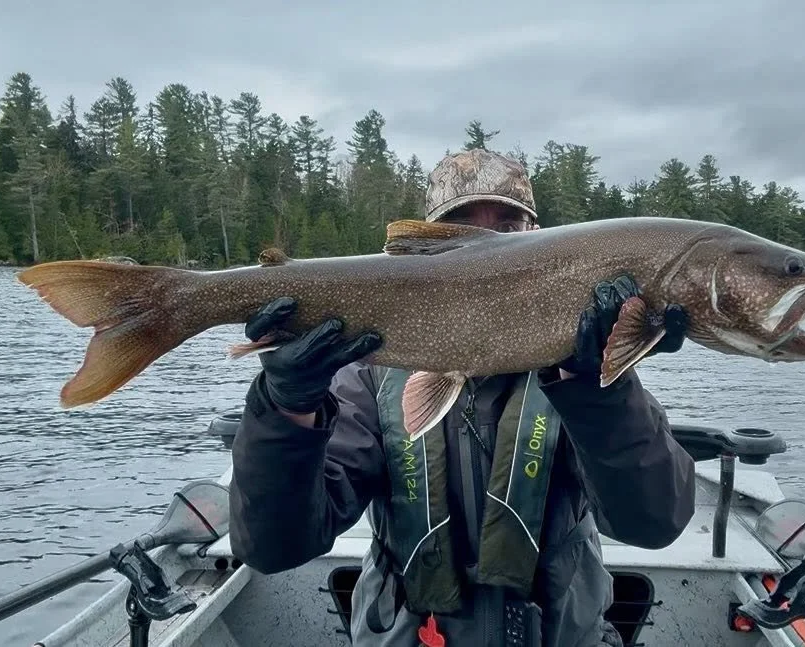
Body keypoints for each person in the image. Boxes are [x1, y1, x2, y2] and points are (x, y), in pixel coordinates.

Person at [228, 148, 696, 647]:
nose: (491, 247)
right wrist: (286, 408)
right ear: (423, 249)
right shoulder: (367, 376)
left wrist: (601, 391)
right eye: (462, 226)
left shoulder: (589, 370)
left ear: (539, 239)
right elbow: (275, 548)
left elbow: (653, 524)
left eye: (507, 226)